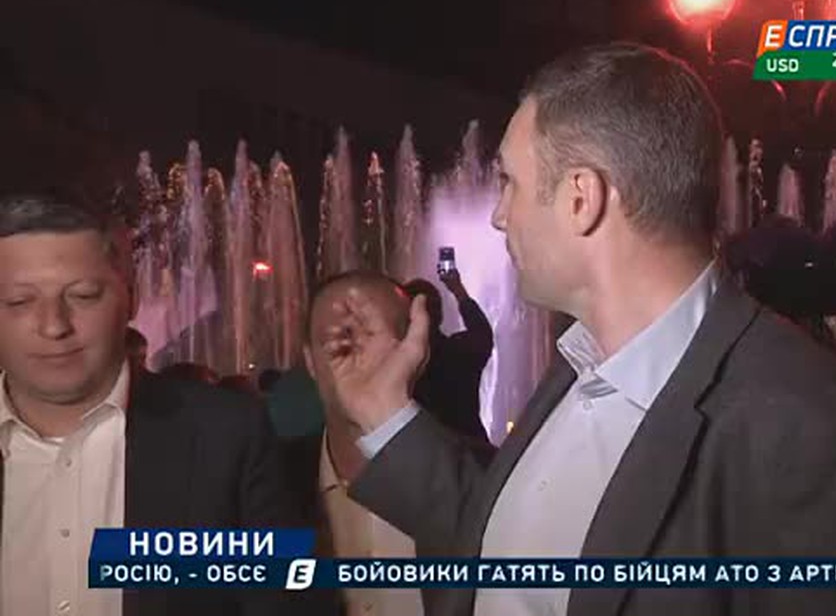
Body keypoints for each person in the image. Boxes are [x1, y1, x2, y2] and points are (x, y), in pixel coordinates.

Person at [324, 43, 836, 616]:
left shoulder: (820, 437)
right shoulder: (576, 368)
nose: (498, 215)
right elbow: (516, 554)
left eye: (509, 181)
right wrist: (385, 414)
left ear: (581, 198)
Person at [0, 190, 323, 616]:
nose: (54, 326)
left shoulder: (227, 435)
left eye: (83, 295)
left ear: (131, 298)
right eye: (20, 302)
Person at [285, 269, 423, 616]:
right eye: (338, 344)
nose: (358, 362)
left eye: (375, 339)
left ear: (418, 353)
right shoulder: (269, 483)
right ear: (310, 362)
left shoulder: (482, 482)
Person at [403, 270, 494, 451]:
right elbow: (482, 332)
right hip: (472, 449)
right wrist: (458, 290)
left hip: (426, 454)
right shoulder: (460, 350)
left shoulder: (400, 366)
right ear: (441, 315)